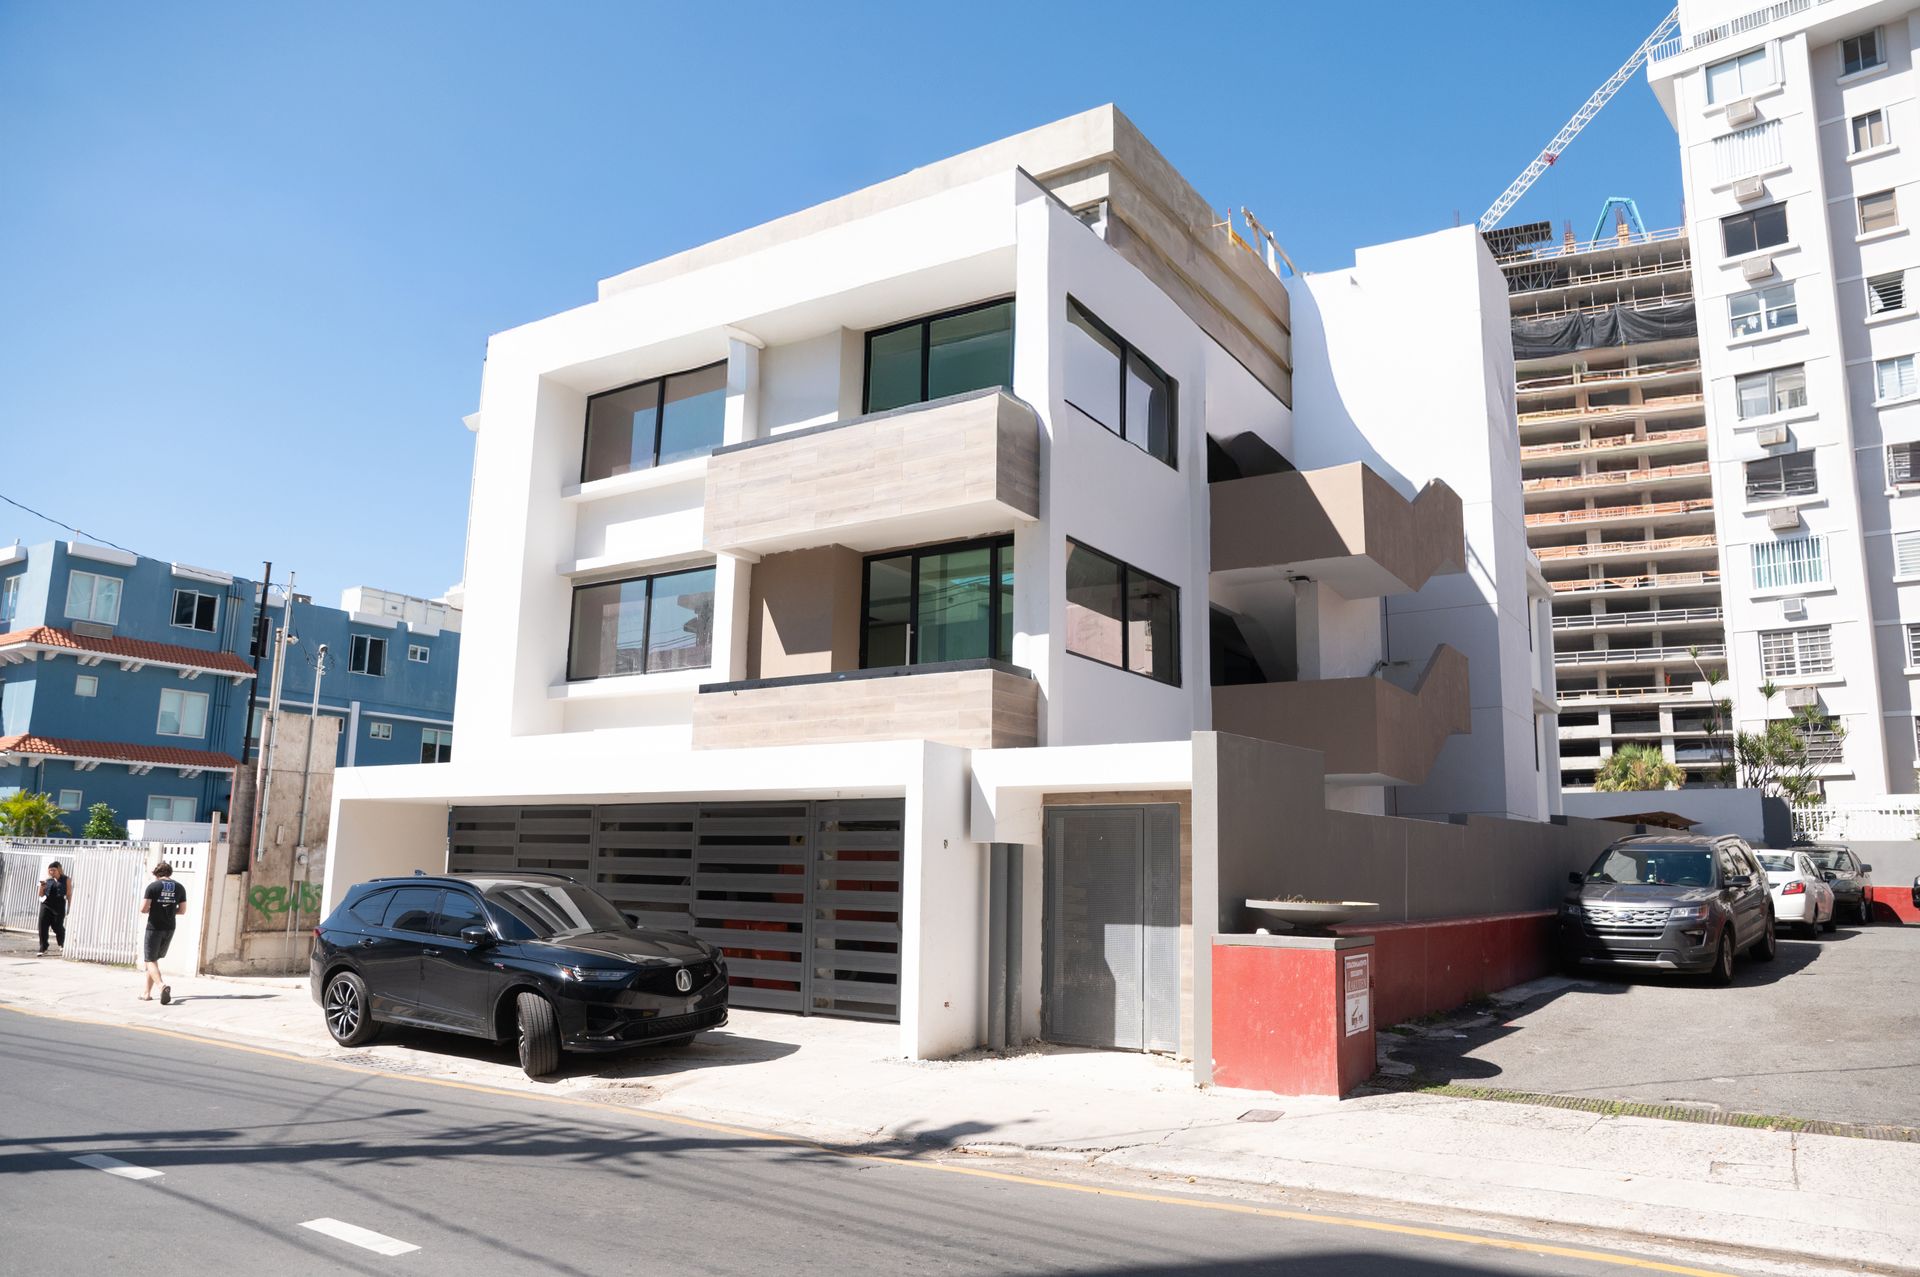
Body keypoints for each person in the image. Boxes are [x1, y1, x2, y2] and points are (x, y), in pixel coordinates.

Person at [140, 862, 188, 1004]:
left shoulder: (153, 887)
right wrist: (169, 912)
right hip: (170, 927)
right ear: (170, 873)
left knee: (149, 960)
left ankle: (162, 986)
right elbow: (182, 910)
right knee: (153, 960)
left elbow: (143, 908)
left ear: (156, 874)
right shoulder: (180, 887)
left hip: (154, 927)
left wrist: (153, 910)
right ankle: (146, 993)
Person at [37, 861, 73, 955]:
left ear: (59, 870)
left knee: (57, 926)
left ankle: (62, 943)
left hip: (59, 905)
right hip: (46, 904)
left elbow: (69, 894)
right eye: (50, 870)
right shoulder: (47, 880)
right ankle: (43, 948)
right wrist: (42, 886)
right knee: (42, 926)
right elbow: (40, 895)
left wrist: (70, 906)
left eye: (53, 870)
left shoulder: (66, 879)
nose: (51, 872)